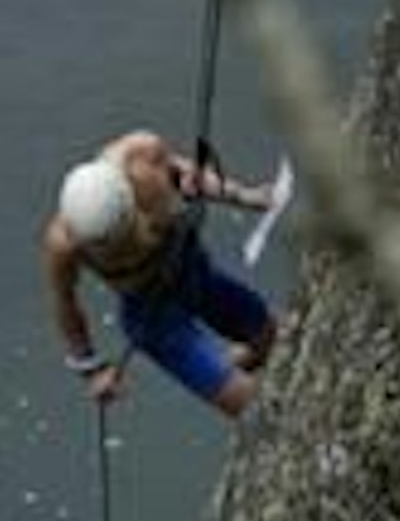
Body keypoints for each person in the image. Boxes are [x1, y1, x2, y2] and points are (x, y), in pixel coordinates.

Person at [43, 129, 278, 418]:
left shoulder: (142, 157)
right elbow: (66, 305)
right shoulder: (63, 245)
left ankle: (221, 369)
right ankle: (218, 378)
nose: (114, 247)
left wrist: (244, 196)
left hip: (191, 269)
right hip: (152, 314)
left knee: (271, 339)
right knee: (251, 406)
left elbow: (186, 172)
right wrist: (91, 369)